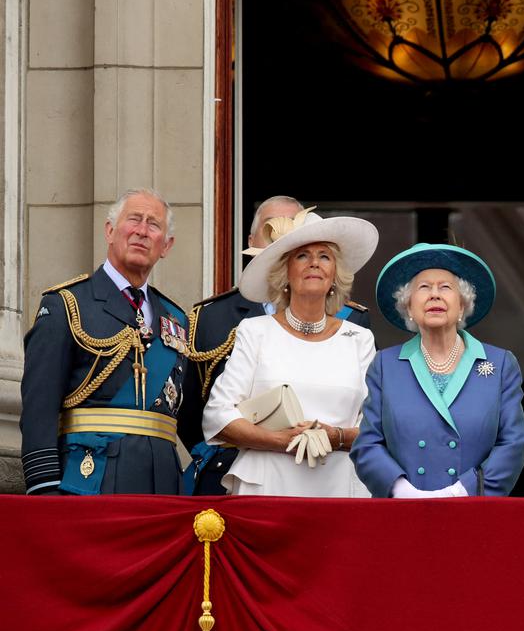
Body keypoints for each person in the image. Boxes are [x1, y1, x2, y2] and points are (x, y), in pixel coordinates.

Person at [179, 196, 370, 494]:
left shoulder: (359, 338)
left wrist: (336, 437)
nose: (314, 264)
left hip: (339, 489)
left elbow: (376, 426)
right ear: (285, 273)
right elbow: (217, 416)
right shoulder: (254, 331)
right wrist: (283, 441)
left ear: (335, 274)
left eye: (324, 256)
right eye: (302, 256)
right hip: (266, 486)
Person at [20, 188, 189, 495]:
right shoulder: (67, 304)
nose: (141, 230)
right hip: (89, 478)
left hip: (163, 484)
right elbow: (39, 405)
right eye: (134, 219)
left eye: (154, 225)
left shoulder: (176, 319)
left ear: (166, 245)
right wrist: (44, 488)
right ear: (110, 231)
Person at [351, 244, 524, 497]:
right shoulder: (385, 365)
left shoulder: (500, 364)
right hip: (404, 512)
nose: (435, 294)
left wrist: (462, 491)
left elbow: (513, 443)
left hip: (473, 512)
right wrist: (402, 491)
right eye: (423, 287)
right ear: (409, 307)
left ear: (463, 305)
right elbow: (367, 443)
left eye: (445, 287)